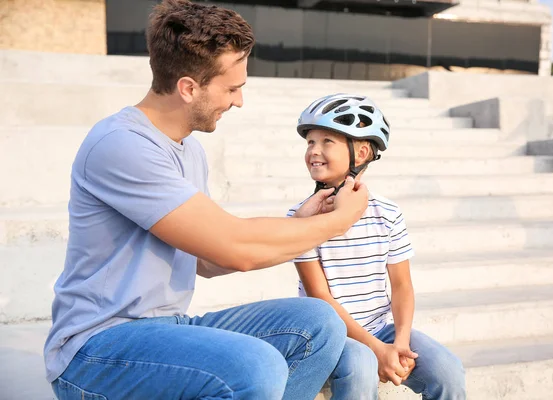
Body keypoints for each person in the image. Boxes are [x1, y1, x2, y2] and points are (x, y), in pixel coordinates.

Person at [43, 2, 370, 399]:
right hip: (98, 349)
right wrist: (338, 222)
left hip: (169, 330)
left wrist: (302, 221)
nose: (238, 101)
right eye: (232, 88)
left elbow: (208, 260)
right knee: (255, 365)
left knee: (318, 323)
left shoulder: (189, 150)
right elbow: (236, 250)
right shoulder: (121, 144)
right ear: (188, 87)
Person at [287, 94, 466, 399]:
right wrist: (376, 350)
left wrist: (400, 342)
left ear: (362, 151)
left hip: (382, 329)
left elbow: (402, 286)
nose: (314, 151)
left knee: (448, 370)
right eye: (309, 142)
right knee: (361, 367)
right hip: (333, 336)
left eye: (326, 141)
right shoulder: (300, 218)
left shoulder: (387, 213)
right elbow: (319, 296)